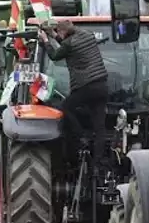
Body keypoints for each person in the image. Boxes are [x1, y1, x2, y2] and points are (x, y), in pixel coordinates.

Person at [38, 20, 109, 168]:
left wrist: (46, 40)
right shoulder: (87, 35)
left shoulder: (68, 44)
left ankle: (79, 135)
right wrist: (53, 34)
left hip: (85, 86)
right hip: (102, 85)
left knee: (66, 108)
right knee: (100, 127)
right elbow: (66, 42)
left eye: (59, 33)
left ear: (64, 32)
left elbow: (55, 55)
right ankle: (97, 163)